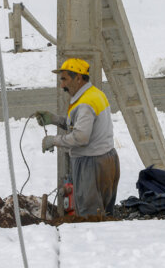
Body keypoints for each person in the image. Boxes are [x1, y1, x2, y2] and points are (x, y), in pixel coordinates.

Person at [36, 58, 120, 217]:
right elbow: (81, 125)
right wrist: (54, 119)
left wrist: (53, 141)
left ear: (79, 78)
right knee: (105, 214)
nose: (62, 85)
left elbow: (81, 137)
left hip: (91, 164)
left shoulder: (85, 103)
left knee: (90, 216)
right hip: (107, 159)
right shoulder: (94, 94)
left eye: (64, 79)